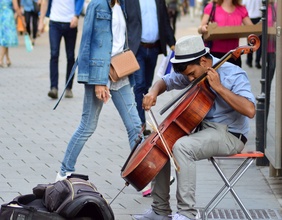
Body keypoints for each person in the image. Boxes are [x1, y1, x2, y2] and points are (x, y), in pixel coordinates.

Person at [133, 35, 256, 220]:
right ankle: (160, 211)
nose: (190, 79)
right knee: (163, 142)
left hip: (230, 133)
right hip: (203, 130)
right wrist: (152, 92)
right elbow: (165, 81)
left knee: (182, 147)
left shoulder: (233, 74)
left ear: (204, 61)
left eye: (192, 74)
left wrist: (220, 88)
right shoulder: (193, 70)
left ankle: (187, 214)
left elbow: (250, 110)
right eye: (187, 76)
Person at [54, 0, 143, 191]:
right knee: (87, 126)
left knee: (135, 126)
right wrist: (97, 81)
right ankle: (64, 172)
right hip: (100, 73)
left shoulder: (123, 5)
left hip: (119, 71)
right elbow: (87, 43)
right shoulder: (98, 4)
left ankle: (143, 176)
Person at [125, 0, 176, 137]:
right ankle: (140, 124)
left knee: (147, 84)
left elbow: (165, 21)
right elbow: (124, 21)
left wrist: (172, 44)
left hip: (153, 49)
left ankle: (140, 116)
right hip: (138, 49)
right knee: (139, 84)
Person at [38, 0, 84, 99]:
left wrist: (76, 15)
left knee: (70, 56)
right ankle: (54, 88)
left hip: (70, 22)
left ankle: (68, 88)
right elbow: (45, 2)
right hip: (55, 23)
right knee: (54, 55)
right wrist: (41, 20)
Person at [198, 0, 253, 67]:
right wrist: (203, 28)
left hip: (234, 55)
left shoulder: (241, 9)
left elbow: (251, 28)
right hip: (214, 55)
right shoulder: (212, 7)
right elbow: (200, 28)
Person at [0, 0, 25, 67]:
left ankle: (8, 59)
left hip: (1, 15)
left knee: (4, 38)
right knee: (5, 39)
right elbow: (16, 7)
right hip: (8, 17)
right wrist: (22, 19)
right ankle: (0, 60)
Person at [242, 0, 262, 69]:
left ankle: (249, 60)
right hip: (258, 17)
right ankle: (257, 61)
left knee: (250, 41)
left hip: (249, 17)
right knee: (259, 41)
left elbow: (243, 6)